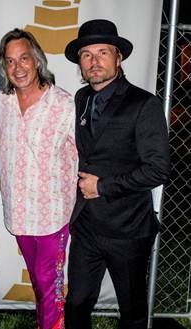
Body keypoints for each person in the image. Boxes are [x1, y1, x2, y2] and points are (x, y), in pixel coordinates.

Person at [63, 19, 170, 329]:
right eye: (86, 54)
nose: (94, 62)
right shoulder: (81, 100)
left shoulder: (144, 104)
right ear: (80, 63)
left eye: (103, 52)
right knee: (77, 301)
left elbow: (158, 169)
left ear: (118, 58)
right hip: (86, 226)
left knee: (132, 311)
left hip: (128, 229)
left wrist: (105, 186)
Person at [0, 28, 78, 329]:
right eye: (10, 61)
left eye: (24, 58)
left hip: (52, 214)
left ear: (37, 60)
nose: (18, 68)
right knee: (39, 282)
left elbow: (85, 153)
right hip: (19, 213)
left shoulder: (64, 104)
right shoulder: (2, 102)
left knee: (49, 282)